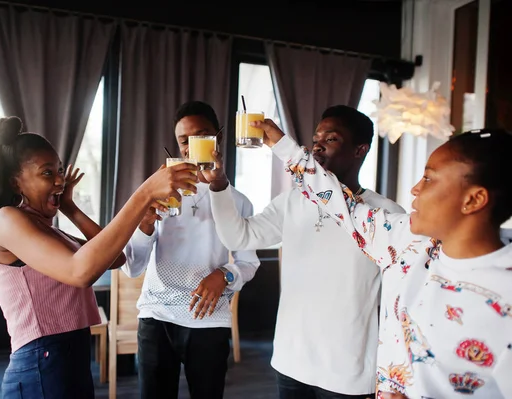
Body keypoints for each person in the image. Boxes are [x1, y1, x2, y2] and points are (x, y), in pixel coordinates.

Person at [259, 120, 512, 399]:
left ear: (474, 200)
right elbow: (338, 203)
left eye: (428, 178)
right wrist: (283, 145)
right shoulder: (402, 240)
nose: (415, 189)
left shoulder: (505, 291)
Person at [0, 116, 198, 399]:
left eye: (60, 170)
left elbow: (115, 258)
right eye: (47, 173)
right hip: (41, 363)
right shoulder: (7, 220)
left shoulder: (44, 227)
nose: (61, 180)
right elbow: (81, 272)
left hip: (68, 358)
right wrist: (145, 193)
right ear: (16, 183)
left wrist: (70, 208)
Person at [204, 105, 405, 399]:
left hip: (347, 370)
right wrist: (219, 186)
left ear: (360, 149)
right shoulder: (293, 201)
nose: (318, 145)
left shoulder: (385, 214)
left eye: (331, 138)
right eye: (316, 138)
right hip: (290, 361)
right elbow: (238, 236)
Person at [123, 101, 260, 399]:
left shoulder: (238, 201)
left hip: (208, 317)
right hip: (157, 315)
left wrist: (224, 275)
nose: (191, 147)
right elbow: (132, 267)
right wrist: (145, 223)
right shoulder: (158, 192)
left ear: (219, 137)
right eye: (184, 140)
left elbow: (249, 263)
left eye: (202, 136)